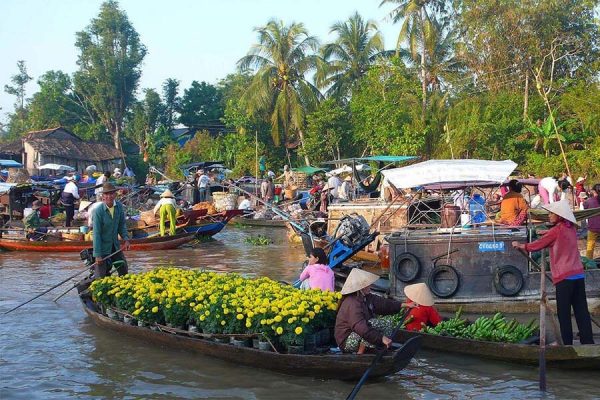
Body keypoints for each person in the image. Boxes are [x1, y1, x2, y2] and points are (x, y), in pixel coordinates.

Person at [512, 200, 594, 345]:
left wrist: (521, 245)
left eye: (552, 214)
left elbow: (537, 245)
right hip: (578, 275)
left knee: (564, 313)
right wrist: (547, 233)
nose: (549, 216)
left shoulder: (556, 231)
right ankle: (588, 342)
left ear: (559, 216)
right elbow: (556, 236)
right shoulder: (571, 228)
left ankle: (566, 344)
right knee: (581, 310)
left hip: (564, 277)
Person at [335, 268, 402, 354]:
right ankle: (361, 353)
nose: (370, 286)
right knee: (371, 324)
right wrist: (381, 338)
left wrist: (402, 305)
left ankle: (377, 348)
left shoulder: (366, 297)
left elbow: (382, 303)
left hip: (358, 333)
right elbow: (360, 327)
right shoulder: (352, 303)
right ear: (360, 287)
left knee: (387, 323)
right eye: (367, 285)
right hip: (347, 341)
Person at [92, 183, 130, 278]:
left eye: (111, 194)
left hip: (115, 246)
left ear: (115, 195)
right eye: (106, 194)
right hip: (103, 247)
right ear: (103, 196)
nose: (109, 196)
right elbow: (96, 234)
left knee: (124, 269)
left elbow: (121, 225)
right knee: (100, 276)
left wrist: (126, 239)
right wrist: (97, 255)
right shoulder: (98, 211)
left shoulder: (119, 207)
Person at [583, 184, 599, 260]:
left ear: (593, 191)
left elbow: (584, 208)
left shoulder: (588, 201)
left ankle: (589, 262)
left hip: (593, 228)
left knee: (590, 246)